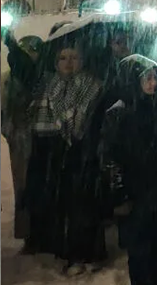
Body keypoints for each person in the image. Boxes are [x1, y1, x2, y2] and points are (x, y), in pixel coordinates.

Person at [100, 55, 157, 285]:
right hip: (135, 189)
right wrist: (120, 194)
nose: (153, 83)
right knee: (139, 243)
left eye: (154, 77)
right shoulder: (118, 113)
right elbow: (110, 157)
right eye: (147, 78)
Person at [25, 43, 107, 270]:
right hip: (57, 151)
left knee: (84, 205)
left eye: (73, 57)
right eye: (63, 58)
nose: (68, 63)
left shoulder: (93, 86)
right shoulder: (48, 85)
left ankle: (88, 254)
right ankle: (63, 250)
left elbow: (92, 123)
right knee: (61, 204)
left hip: (84, 152)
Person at [3, 34, 42, 240]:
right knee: (23, 187)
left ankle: (37, 232)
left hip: (40, 136)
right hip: (19, 137)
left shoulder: (41, 76)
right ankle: (28, 233)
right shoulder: (7, 79)